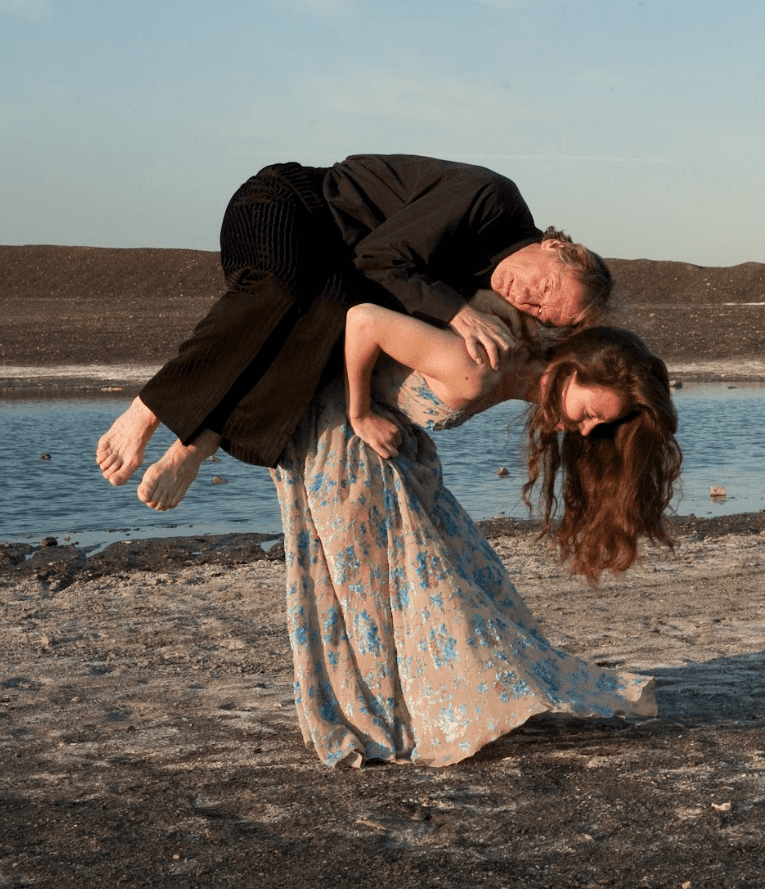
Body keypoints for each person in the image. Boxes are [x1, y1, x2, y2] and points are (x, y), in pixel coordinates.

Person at [272, 302, 681, 767]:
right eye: (589, 412)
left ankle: (414, 714)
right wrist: (361, 412)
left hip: (383, 450)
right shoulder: (477, 370)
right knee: (373, 595)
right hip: (341, 445)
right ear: (570, 372)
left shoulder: (511, 370)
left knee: (467, 579)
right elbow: (363, 319)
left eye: (598, 425)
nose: (586, 430)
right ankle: (382, 724)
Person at [94, 156, 612, 510]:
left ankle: (199, 443)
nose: (527, 300)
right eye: (544, 288)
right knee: (284, 288)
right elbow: (378, 256)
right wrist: (457, 314)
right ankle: (149, 410)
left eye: (543, 313)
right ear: (556, 248)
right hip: (287, 204)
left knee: (330, 321)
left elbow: (373, 303)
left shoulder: (490, 289)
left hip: (333, 272)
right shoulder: (491, 199)